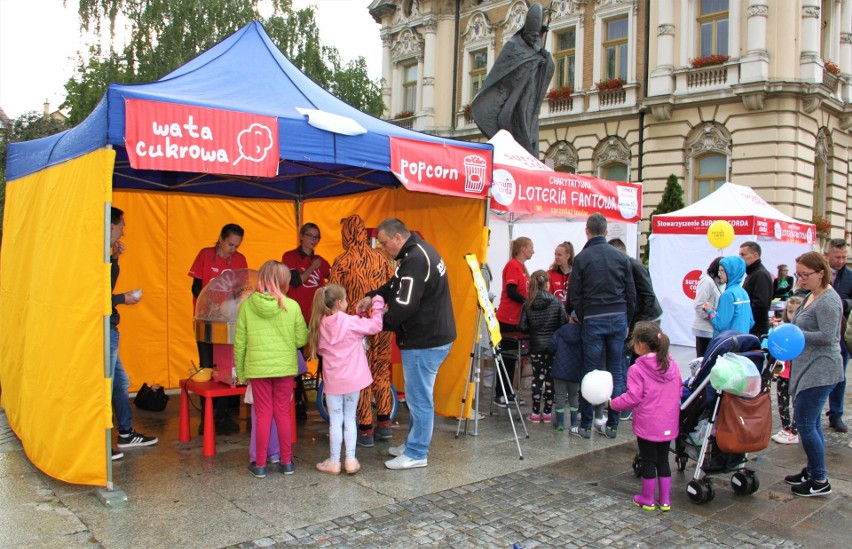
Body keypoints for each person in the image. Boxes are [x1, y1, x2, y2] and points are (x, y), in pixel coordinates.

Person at [357, 218, 456, 470]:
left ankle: (417, 453)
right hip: (431, 336)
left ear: (398, 238)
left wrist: (376, 324)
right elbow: (396, 284)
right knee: (417, 396)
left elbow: (404, 305)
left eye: (384, 242)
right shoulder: (419, 250)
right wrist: (374, 295)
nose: (382, 248)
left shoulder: (415, 259)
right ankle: (414, 443)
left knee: (419, 398)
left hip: (425, 341)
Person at [234, 260, 308, 478]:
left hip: (257, 370)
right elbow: (301, 339)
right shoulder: (292, 305)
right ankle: (286, 462)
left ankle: (260, 465)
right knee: (283, 414)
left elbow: (240, 343)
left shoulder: (247, 305)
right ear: (284, 282)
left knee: (262, 415)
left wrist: (241, 372)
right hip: (285, 368)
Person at [328, 215, 395, 447]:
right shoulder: (383, 258)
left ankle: (365, 428)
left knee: (361, 374)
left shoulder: (342, 261)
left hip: (355, 328)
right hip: (382, 323)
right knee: (381, 370)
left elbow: (333, 297)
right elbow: (393, 289)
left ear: (346, 234)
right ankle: (385, 422)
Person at [568, 213, 635, 439]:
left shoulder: (582, 258)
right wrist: (627, 320)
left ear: (587, 230)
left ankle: (586, 425)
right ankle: (613, 424)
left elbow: (574, 296)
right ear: (606, 233)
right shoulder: (621, 257)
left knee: (591, 371)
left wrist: (586, 315)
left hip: (594, 318)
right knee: (616, 371)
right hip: (618, 317)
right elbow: (631, 294)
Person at [306, 284, 385, 475]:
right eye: (347, 299)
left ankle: (334, 461)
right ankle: (350, 459)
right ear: (340, 303)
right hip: (353, 380)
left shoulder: (319, 324)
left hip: (333, 381)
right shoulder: (350, 322)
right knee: (350, 417)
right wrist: (378, 301)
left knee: (336, 420)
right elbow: (376, 325)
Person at [783, 251, 844, 496]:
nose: (801, 279)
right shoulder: (811, 294)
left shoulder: (828, 300)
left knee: (806, 423)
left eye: (805, 274)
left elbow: (829, 337)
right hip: (808, 365)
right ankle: (812, 468)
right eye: (798, 274)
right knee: (812, 422)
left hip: (821, 368)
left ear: (821, 273)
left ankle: (820, 480)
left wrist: (796, 334)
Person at [609, 322, 682, 512]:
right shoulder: (671, 364)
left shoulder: (637, 369)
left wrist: (614, 404)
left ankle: (647, 498)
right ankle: (665, 500)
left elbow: (633, 397)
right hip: (668, 422)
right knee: (663, 460)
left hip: (648, 424)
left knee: (648, 460)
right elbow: (680, 389)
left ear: (641, 345)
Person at [469, 3, 554, 157]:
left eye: (537, 36)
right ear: (525, 31)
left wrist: (544, 61)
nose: (535, 39)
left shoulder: (537, 48)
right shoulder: (512, 46)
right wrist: (533, 63)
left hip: (530, 102)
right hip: (514, 101)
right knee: (517, 133)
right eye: (532, 36)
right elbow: (504, 74)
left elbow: (545, 70)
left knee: (530, 139)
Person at [188, 223, 247, 434]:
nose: (233, 249)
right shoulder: (206, 255)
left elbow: (243, 289)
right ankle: (207, 418)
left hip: (228, 323)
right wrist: (211, 300)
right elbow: (195, 286)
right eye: (230, 244)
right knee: (207, 367)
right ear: (221, 239)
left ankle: (223, 416)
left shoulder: (240, 260)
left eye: (237, 245)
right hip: (207, 320)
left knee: (226, 370)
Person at [109, 207, 158, 459]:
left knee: (120, 382)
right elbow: (95, 296)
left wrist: (114, 259)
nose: (123, 232)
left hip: (110, 327)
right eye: (121, 227)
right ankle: (100, 443)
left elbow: (106, 285)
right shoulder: (88, 252)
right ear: (110, 226)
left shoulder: (104, 254)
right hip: (102, 328)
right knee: (106, 384)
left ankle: (126, 433)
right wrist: (122, 298)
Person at [282, 222, 331, 421]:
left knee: (326, 358)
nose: (313, 240)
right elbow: (295, 281)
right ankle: (297, 402)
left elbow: (334, 278)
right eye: (310, 235)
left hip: (318, 319)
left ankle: (328, 398)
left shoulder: (322, 260)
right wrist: (312, 267)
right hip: (297, 319)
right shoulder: (289, 257)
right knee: (296, 363)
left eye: (317, 237)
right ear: (301, 236)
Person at [518, 270, 567, 424]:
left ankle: (534, 412)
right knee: (550, 379)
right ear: (547, 283)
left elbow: (522, 326)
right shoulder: (556, 302)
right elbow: (564, 322)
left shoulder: (528, 303)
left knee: (537, 378)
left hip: (536, 345)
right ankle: (547, 413)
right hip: (552, 346)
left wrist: (533, 331)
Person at [494, 237, 534, 407]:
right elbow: (511, 291)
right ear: (523, 249)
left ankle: (509, 392)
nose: (533, 251)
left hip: (516, 319)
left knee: (513, 358)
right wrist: (527, 302)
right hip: (507, 319)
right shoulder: (512, 265)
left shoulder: (522, 268)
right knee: (506, 357)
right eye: (531, 247)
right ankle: (500, 394)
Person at [823, 238, 852, 433]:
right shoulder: (818, 272)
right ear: (828, 255)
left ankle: (836, 414)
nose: (841, 261)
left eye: (844, 257)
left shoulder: (850, 276)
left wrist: (843, 303)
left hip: (841, 333)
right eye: (838, 257)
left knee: (840, 375)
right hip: (819, 331)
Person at [770, 296, 804, 445]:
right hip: (783, 371)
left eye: (795, 312)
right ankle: (786, 427)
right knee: (782, 400)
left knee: (797, 401)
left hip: (797, 372)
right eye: (790, 312)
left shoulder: (802, 331)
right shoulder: (783, 327)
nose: (792, 315)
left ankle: (795, 430)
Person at [702, 256, 754, 336]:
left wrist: (710, 311)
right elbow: (750, 322)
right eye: (719, 271)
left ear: (732, 272)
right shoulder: (743, 292)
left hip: (729, 343)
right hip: (743, 340)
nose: (719, 274)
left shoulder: (728, 294)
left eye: (722, 271)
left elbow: (720, 325)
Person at [549, 315, 583, 432]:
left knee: (560, 396)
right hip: (575, 372)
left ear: (570, 318)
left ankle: (559, 423)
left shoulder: (560, 331)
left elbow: (551, 346)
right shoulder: (584, 334)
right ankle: (573, 424)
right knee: (574, 397)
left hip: (559, 370)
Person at [739, 241, 773, 337]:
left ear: (755, 255)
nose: (740, 258)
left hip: (756, 328)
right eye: (740, 255)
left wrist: (743, 316)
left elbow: (760, 303)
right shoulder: (753, 273)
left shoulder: (760, 274)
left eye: (743, 254)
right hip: (751, 326)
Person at [692, 257, 724, 358]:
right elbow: (699, 305)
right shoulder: (707, 281)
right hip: (705, 329)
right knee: (703, 361)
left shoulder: (718, 283)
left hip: (712, 328)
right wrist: (712, 316)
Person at [548, 241, 574, 308]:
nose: (556, 257)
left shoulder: (576, 274)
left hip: (573, 315)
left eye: (559, 255)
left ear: (568, 256)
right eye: (555, 254)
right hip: (555, 314)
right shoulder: (549, 274)